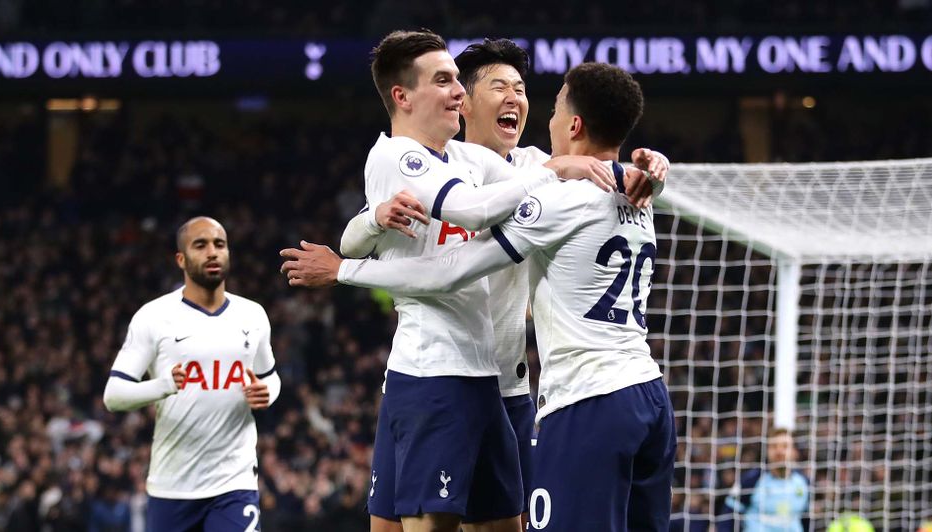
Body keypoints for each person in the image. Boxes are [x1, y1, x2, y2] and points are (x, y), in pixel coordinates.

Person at [281, 62, 677, 531]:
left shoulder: (546, 182)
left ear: (572, 124)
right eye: (499, 86)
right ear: (465, 103)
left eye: (527, 92)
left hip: (563, 394)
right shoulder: (623, 189)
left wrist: (343, 272)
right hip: (631, 387)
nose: (519, 100)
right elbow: (357, 235)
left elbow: (452, 263)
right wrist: (370, 222)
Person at [103, 216, 281, 532]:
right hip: (173, 486)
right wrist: (164, 385)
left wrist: (268, 392)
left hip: (234, 482)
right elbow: (113, 395)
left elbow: (270, 375)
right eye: (200, 245)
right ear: (181, 259)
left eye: (219, 244)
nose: (212, 252)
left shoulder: (252, 315)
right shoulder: (154, 317)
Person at [722, 427, 810, 532]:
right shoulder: (751, 480)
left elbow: (807, 520)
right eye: (774, 446)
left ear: (794, 451)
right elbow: (728, 514)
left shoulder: (804, 482)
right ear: (767, 450)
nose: (779, 451)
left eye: (785, 446)